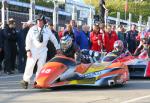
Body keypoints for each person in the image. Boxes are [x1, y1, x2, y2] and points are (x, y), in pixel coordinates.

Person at [20, 14, 60, 89]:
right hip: (33, 49)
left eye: (41, 21)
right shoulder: (32, 29)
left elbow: (54, 39)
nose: (39, 22)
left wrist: (58, 48)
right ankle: (25, 81)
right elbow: (28, 40)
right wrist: (28, 50)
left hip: (43, 50)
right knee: (30, 65)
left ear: (44, 21)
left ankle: (37, 81)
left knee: (41, 66)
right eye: (38, 20)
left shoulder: (47, 30)